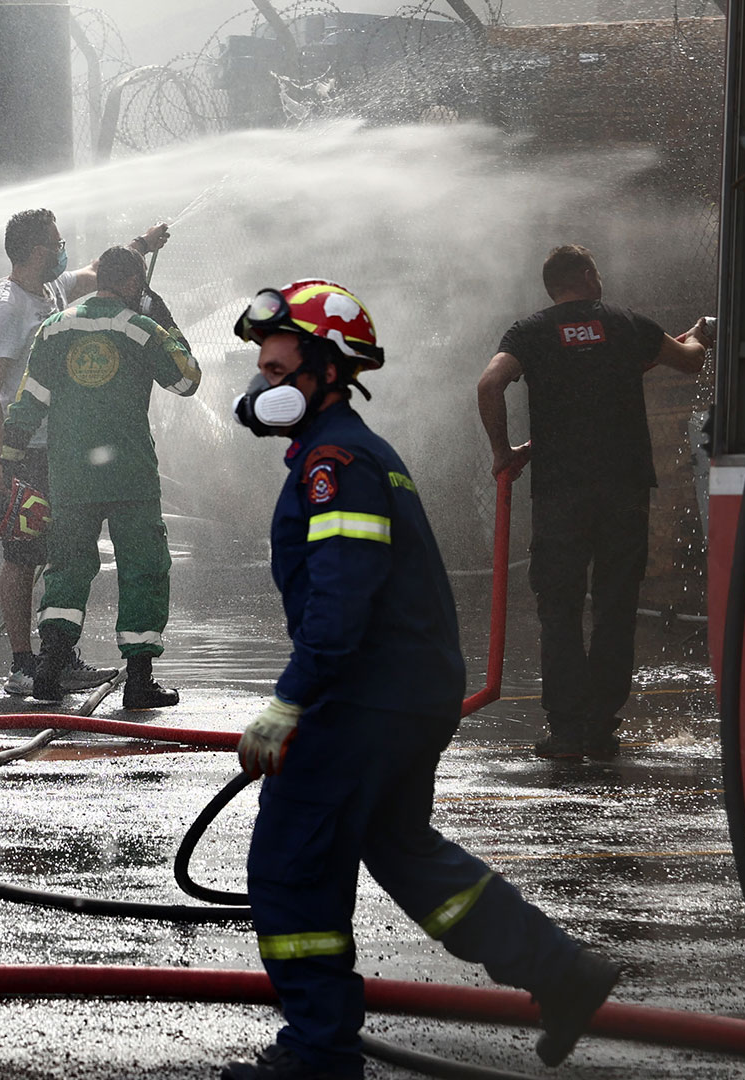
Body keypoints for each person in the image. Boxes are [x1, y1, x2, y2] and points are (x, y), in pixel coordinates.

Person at [226, 279, 618, 1079]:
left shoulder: (337, 464)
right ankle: (560, 969)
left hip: (362, 697)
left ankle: (318, 1053)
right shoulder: (354, 454)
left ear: (326, 371)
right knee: (401, 847)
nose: (262, 386)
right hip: (407, 694)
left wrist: (287, 702)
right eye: (260, 371)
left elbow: (340, 601)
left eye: (276, 369)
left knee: (289, 863)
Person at [475, 245, 708, 761]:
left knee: (558, 609)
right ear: (585, 275)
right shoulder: (625, 323)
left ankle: (565, 733)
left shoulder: (529, 332)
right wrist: (699, 335)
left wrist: (502, 454)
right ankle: (601, 727)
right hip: (623, 491)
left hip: (560, 495)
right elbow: (689, 362)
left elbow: (490, 383)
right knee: (615, 607)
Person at [0, 209, 170, 697]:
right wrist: (2, 461)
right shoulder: (5, 308)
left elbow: (95, 272)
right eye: (57, 243)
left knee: (61, 554)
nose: (63, 250)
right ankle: (23, 664)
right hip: (20, 450)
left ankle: (57, 660)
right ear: (38, 250)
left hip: (58, 450)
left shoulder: (53, 289)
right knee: (22, 555)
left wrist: (141, 246)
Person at [0, 246, 200, 709]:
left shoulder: (55, 328)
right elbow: (188, 380)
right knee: (143, 569)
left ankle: (49, 670)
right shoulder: (141, 329)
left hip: (71, 476)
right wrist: (164, 318)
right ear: (133, 284)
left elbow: (28, 403)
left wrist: (10, 467)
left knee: (66, 567)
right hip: (130, 478)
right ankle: (140, 681)